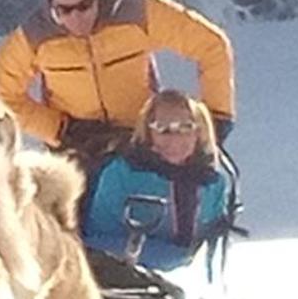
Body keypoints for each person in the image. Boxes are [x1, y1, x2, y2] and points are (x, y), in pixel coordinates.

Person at [0, 0, 236, 169]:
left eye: (84, 5)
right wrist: (59, 129)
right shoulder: (35, 35)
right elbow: (5, 93)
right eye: (63, 10)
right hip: (75, 149)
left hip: (141, 142)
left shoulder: (138, 11)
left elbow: (211, 46)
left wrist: (217, 116)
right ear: (50, 7)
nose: (75, 17)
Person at [82, 90, 235, 271]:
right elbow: (96, 240)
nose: (174, 138)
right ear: (148, 132)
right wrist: (168, 257)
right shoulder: (121, 173)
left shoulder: (213, 183)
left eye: (186, 127)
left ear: (200, 132)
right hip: (122, 281)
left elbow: (212, 245)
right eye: (162, 129)